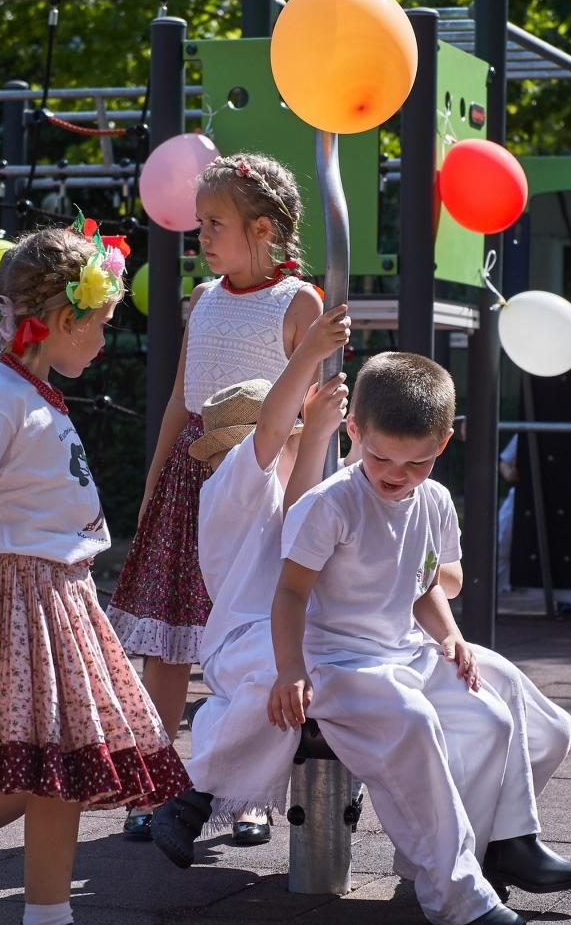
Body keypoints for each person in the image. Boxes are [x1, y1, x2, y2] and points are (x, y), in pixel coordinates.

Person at [0, 221, 191, 918]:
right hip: (22, 595)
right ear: (61, 318)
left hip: (61, 593)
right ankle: (37, 910)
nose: (103, 338)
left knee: (55, 764)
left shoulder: (25, 385)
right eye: (99, 324)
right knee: (58, 765)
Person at [267, 353, 571, 925]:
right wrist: (290, 668)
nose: (396, 473)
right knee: (414, 721)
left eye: (416, 462)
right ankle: (458, 896)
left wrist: (452, 637)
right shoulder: (331, 503)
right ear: (354, 432)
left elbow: (421, 586)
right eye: (381, 456)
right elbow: (290, 593)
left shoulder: (433, 500)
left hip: (401, 651)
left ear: (442, 444)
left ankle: (487, 849)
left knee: (492, 716)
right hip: (338, 661)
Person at [106, 153, 322, 836]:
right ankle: (155, 788)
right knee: (170, 644)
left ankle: (246, 796)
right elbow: (180, 397)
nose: (201, 236)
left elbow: (308, 412)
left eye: (215, 223)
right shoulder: (203, 299)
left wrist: (295, 496)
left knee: (248, 637)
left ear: (264, 228)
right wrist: (151, 482)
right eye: (200, 223)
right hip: (190, 477)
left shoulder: (300, 303)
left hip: (257, 482)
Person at [151, 307, 350, 861]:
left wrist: (318, 434)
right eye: (286, 437)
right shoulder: (230, 484)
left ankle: (242, 794)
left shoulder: (276, 484)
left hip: (282, 629)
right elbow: (268, 434)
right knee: (276, 677)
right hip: (240, 635)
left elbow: (300, 509)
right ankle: (194, 793)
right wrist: (309, 353)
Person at [498, 435, 571, 618]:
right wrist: (509, 473)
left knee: (563, 547)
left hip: (562, 501)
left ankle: (566, 599)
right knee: (502, 540)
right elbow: (504, 461)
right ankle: (490, 592)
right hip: (524, 497)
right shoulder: (526, 432)